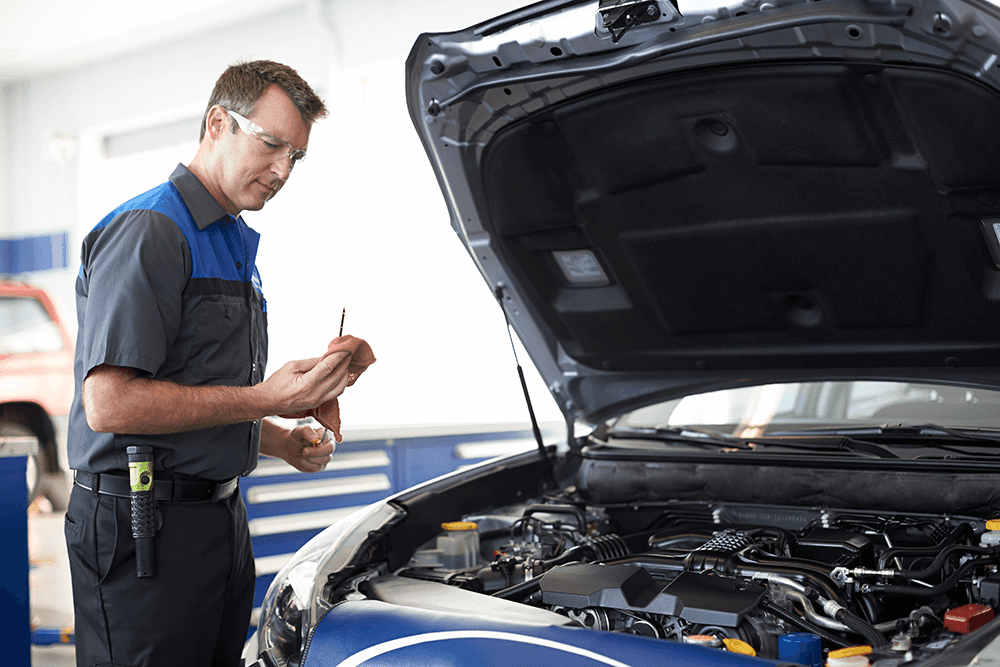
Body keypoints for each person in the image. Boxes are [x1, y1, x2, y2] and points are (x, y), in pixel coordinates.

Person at [65, 60, 349, 667]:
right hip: (142, 526)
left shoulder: (228, 237)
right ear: (219, 123)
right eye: (272, 145)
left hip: (216, 520)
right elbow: (111, 404)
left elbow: (194, 392)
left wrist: (280, 442)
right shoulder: (152, 230)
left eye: (295, 157)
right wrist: (265, 401)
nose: (282, 171)